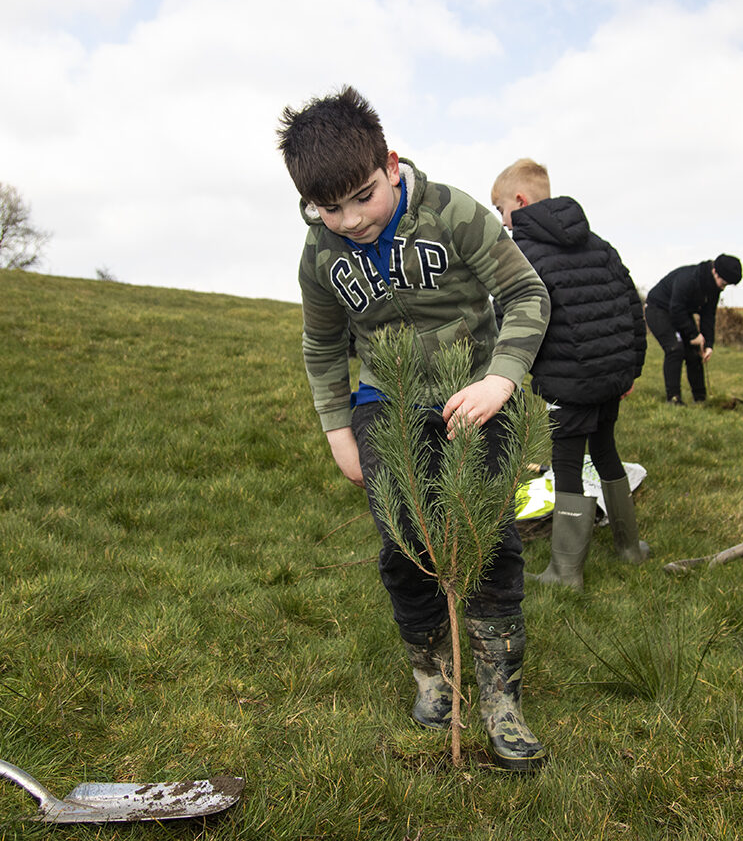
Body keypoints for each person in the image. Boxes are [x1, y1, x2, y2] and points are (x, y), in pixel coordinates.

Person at [277, 87, 551, 772]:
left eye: (362, 197)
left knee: (489, 542)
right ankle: (433, 675)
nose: (350, 219)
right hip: (383, 405)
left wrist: (500, 378)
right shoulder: (320, 256)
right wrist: (338, 428)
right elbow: (321, 347)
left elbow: (526, 294)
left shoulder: (452, 213)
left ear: (390, 165)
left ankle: (499, 697)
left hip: (475, 397)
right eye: (327, 207)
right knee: (404, 544)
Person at [491, 158, 649, 588]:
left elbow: (506, 312)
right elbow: (633, 305)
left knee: (566, 465)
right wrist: (632, 367)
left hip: (568, 381)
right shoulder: (599, 244)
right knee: (605, 452)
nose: (503, 223)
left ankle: (565, 571)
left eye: (501, 210)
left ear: (519, 202)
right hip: (611, 376)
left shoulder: (522, 252)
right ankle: (630, 548)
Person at [644, 254, 743, 404]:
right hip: (657, 309)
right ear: (715, 271)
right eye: (723, 283)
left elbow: (708, 316)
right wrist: (693, 334)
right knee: (675, 348)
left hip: (680, 312)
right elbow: (676, 309)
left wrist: (708, 344)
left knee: (696, 352)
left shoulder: (714, 288)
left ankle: (701, 399)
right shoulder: (689, 279)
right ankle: (674, 398)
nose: (723, 287)